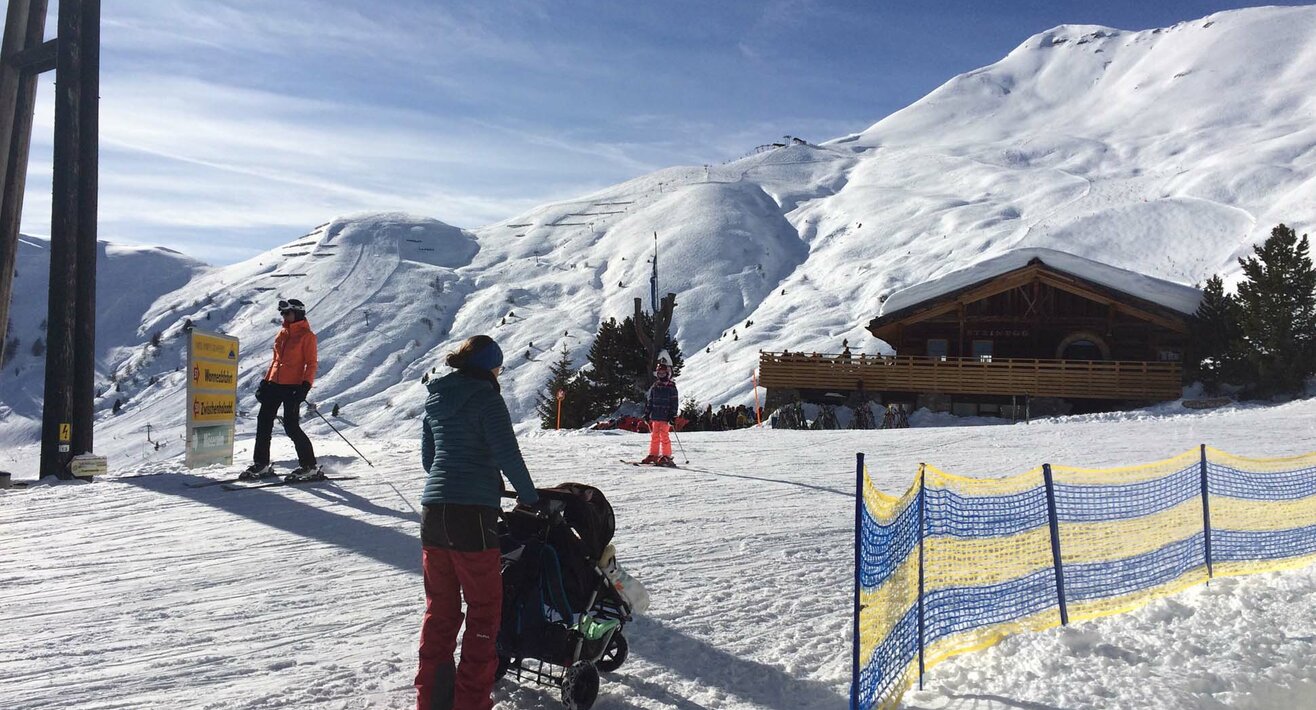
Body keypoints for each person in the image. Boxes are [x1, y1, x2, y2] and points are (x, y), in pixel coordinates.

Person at [415, 335, 539, 710]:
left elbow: (430, 460)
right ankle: (470, 703)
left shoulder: (436, 399)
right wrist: (530, 497)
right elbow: (508, 455)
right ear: (490, 368)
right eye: (498, 369)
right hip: (472, 518)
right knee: (484, 613)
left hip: (433, 513)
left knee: (440, 612)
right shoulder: (487, 398)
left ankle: (431, 701)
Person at [242, 298, 320, 481]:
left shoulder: (307, 336)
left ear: (298, 313)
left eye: (287, 313)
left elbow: (311, 364)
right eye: (282, 313)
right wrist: (265, 382)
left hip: (293, 387)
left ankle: (309, 466)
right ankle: (261, 464)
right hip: (274, 385)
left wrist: (305, 386)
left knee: (291, 426)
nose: (284, 316)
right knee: (263, 423)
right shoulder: (282, 334)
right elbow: (276, 361)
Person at [641, 351, 679, 466]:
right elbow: (650, 401)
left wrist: (673, 416)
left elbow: (674, 403)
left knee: (664, 436)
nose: (661, 375)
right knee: (654, 436)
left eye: (663, 373)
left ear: (667, 373)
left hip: (666, 416)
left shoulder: (671, 387)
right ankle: (653, 454)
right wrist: (647, 414)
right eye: (659, 373)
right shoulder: (655, 386)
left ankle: (666, 456)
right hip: (655, 415)